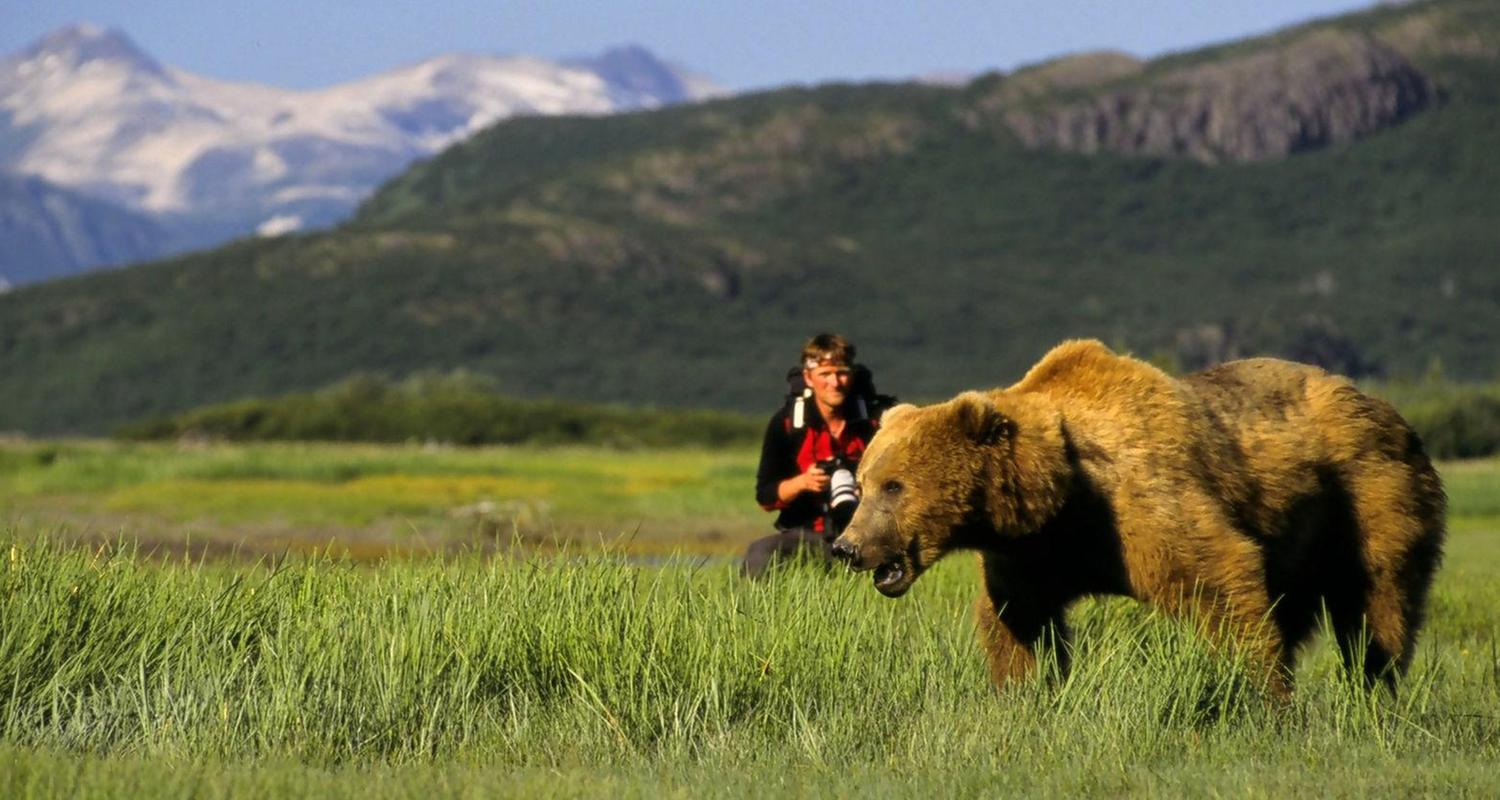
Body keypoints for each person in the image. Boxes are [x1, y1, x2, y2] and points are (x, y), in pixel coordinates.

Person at [743, 333, 892, 578]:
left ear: (852, 374)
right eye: (825, 374)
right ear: (808, 378)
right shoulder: (788, 424)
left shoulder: (875, 422)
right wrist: (802, 483)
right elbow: (765, 497)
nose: (835, 382)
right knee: (760, 553)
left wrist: (865, 490)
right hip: (807, 533)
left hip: (866, 530)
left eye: (842, 372)